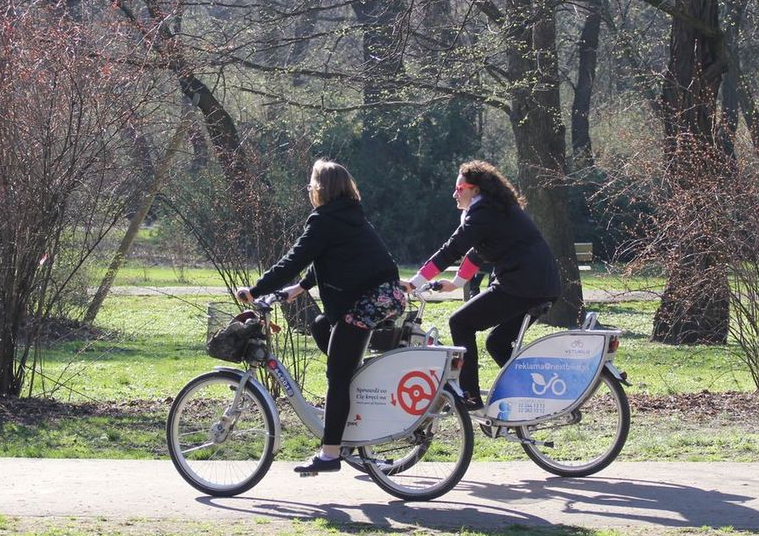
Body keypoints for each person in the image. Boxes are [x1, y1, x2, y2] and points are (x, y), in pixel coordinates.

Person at [236, 159, 405, 474]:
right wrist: (298, 288)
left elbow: (295, 258)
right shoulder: (349, 216)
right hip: (385, 295)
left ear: (321, 189)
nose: (310, 189)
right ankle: (353, 408)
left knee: (337, 376)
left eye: (312, 184)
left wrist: (257, 290)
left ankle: (330, 454)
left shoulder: (324, 220)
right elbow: (329, 258)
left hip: (367, 302)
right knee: (320, 326)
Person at [404, 160, 560, 411]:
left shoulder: (483, 212)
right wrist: (456, 283)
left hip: (521, 284)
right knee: (497, 342)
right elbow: (478, 252)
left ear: (475, 190)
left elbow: (452, 249)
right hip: (545, 285)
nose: (455, 193)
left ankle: (470, 398)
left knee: (460, 322)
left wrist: (414, 282)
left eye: (460, 188)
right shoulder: (496, 210)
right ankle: (534, 393)